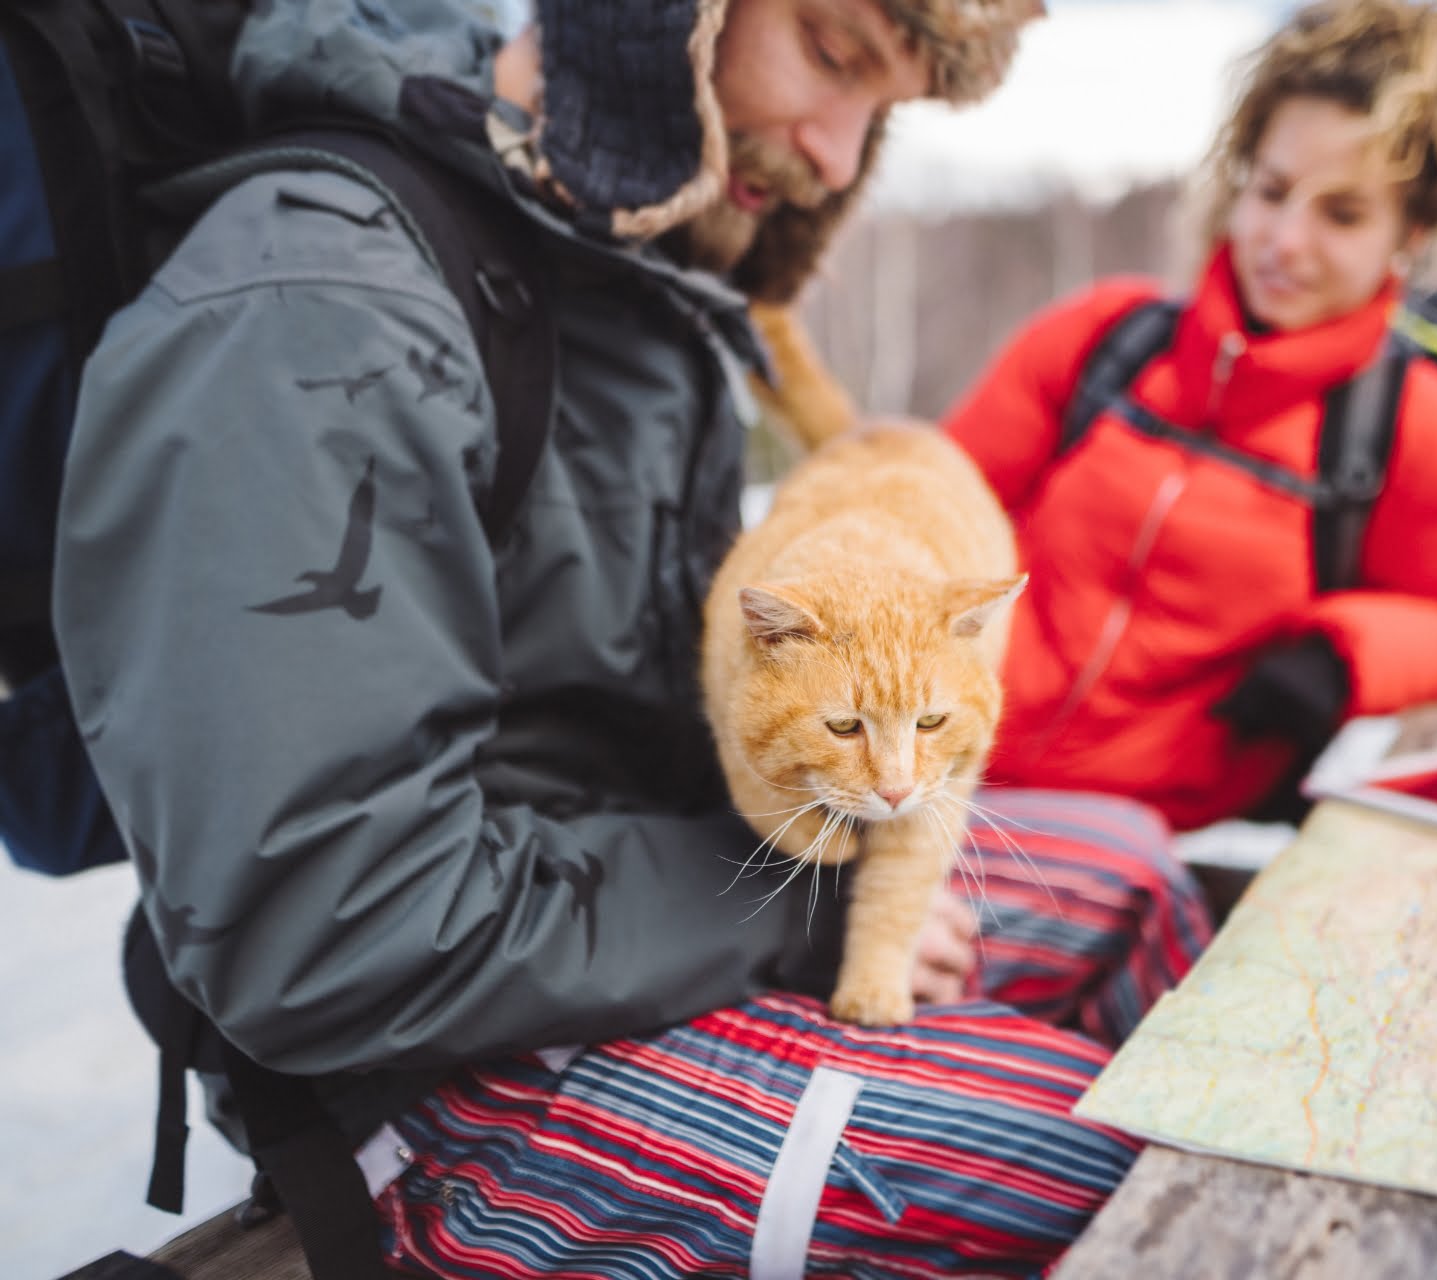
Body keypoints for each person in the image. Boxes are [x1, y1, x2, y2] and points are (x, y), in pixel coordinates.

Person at [51, 0, 1212, 1274]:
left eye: (880, 111)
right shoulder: (312, 315)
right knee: (1114, 1160)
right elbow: (329, 929)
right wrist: (801, 916)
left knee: (1136, 873)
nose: (836, 156)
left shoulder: (629, 277)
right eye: (832, 56)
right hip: (429, 1075)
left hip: (638, 905)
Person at [944, 0, 1437, 832]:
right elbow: (923, 509)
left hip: (1152, 844)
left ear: (1412, 230)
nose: (1285, 240)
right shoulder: (1103, 340)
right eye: (1273, 190)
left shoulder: (1409, 423)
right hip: (933, 781)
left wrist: (1344, 655)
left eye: (1342, 213)